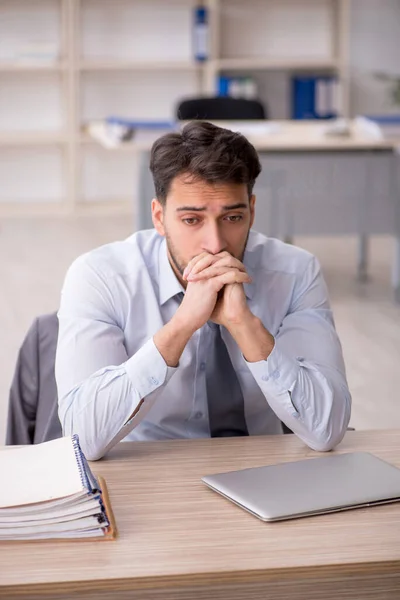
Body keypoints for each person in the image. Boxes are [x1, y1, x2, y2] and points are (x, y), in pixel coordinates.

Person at [55, 121, 351, 461]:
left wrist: (245, 325)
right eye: (192, 220)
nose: (215, 244)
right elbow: (82, 439)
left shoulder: (295, 272)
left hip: (265, 468)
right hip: (152, 471)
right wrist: (180, 328)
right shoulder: (101, 276)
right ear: (159, 217)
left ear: (252, 212)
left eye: (232, 218)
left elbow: (327, 430)